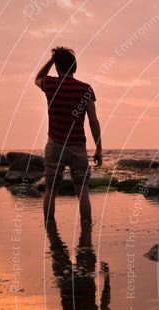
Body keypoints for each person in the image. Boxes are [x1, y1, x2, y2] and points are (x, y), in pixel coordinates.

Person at [35, 46, 102, 224]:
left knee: (51, 188)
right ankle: (86, 229)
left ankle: (50, 228)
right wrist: (99, 149)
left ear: (57, 67)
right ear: (74, 66)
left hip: (55, 145)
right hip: (77, 147)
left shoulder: (50, 84)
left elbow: (37, 79)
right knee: (82, 190)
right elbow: (93, 122)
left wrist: (51, 60)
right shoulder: (85, 89)